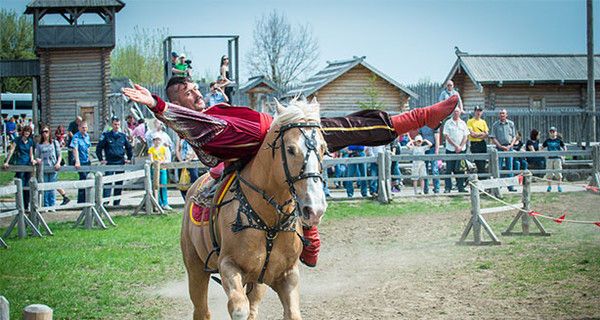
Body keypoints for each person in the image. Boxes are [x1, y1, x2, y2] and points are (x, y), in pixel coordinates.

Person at [122, 76, 459, 267]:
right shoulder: (194, 122)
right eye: (186, 92)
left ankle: (418, 118)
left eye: (194, 87)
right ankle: (419, 118)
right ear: (177, 102)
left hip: (272, 132)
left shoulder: (214, 106)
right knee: (332, 134)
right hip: (254, 144)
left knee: (334, 133)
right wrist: (159, 106)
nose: (194, 92)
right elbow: (196, 128)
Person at [96, 117, 133, 205]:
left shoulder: (122, 136)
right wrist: (101, 159)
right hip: (110, 162)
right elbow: (99, 147)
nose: (117, 126)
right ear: (112, 125)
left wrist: (129, 158)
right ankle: (105, 202)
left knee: (119, 183)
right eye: (115, 124)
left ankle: (117, 202)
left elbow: (129, 147)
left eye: (118, 125)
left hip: (120, 162)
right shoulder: (106, 135)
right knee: (108, 182)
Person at [35, 125, 70, 209]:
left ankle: (52, 205)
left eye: (46, 131)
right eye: (43, 132)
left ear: (49, 132)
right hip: (44, 168)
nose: (44, 134)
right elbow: (37, 156)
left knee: (52, 187)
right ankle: (46, 205)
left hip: (53, 167)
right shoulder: (39, 145)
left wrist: (58, 163)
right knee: (45, 187)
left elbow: (59, 155)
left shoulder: (54, 143)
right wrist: (38, 160)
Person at [3, 125, 36, 210]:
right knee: (20, 183)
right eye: (26, 131)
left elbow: (31, 153)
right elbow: (12, 150)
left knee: (27, 184)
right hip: (20, 163)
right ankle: (20, 204)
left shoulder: (30, 141)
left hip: (27, 164)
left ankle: (26, 204)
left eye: (29, 132)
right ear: (23, 132)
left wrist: (32, 160)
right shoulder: (17, 139)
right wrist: (6, 162)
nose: (27, 133)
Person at [490, 109, 518, 191]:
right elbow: (494, 137)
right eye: (500, 113)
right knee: (499, 167)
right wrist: (500, 146)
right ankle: (499, 185)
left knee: (510, 167)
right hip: (499, 148)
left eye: (503, 113)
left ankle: (510, 186)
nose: (502, 115)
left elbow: (514, 136)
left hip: (509, 147)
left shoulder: (511, 124)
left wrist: (511, 145)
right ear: (498, 115)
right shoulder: (495, 125)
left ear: (506, 115)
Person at [443, 107, 469, 193]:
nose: (456, 113)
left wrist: (460, 146)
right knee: (449, 169)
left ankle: (460, 187)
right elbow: (447, 136)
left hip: (461, 150)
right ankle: (448, 187)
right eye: (454, 111)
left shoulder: (463, 123)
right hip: (450, 149)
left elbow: (465, 136)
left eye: (457, 111)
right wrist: (455, 146)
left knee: (460, 169)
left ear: (460, 113)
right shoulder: (448, 123)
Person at [148, 135, 171, 210]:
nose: (157, 142)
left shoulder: (163, 148)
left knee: (163, 185)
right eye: (155, 140)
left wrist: (163, 162)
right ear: (153, 141)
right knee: (156, 186)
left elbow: (166, 159)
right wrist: (155, 162)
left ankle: (165, 203)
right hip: (154, 169)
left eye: (158, 140)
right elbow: (151, 160)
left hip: (162, 168)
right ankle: (158, 202)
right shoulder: (151, 149)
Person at [71, 121, 91, 203]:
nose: (84, 129)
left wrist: (89, 158)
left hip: (86, 161)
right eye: (83, 128)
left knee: (87, 179)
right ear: (79, 128)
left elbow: (88, 147)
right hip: (80, 161)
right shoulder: (76, 137)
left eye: (86, 127)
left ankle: (86, 199)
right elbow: (75, 149)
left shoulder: (87, 136)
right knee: (83, 179)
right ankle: (81, 201)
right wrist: (77, 161)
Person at [466, 105, 489, 177]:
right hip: (474, 143)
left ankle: (482, 177)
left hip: (482, 143)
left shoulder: (483, 122)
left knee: (483, 162)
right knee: (477, 162)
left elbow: (486, 134)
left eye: (480, 111)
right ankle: (479, 177)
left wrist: (478, 135)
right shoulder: (470, 121)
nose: (478, 113)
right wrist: (482, 134)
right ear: (474, 112)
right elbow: (472, 134)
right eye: (477, 111)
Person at [175, 136, 200, 200]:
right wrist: (180, 160)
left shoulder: (192, 136)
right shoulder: (179, 138)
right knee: (182, 181)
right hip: (182, 160)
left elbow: (195, 150)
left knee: (194, 177)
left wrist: (188, 160)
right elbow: (177, 150)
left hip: (192, 160)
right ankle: (185, 198)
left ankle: (195, 196)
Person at [542, 126, 566, 192]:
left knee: (558, 173)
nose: (552, 133)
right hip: (550, 159)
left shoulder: (559, 141)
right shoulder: (547, 141)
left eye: (553, 132)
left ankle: (559, 186)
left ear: (556, 133)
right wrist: (545, 155)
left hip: (557, 158)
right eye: (551, 132)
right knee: (549, 173)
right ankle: (549, 187)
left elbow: (564, 148)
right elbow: (541, 148)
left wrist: (563, 155)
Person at [418, 125, 440, 194]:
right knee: (424, 170)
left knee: (434, 169)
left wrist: (436, 150)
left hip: (432, 148)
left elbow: (437, 138)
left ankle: (436, 188)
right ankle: (425, 188)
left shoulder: (434, 125)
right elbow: (419, 137)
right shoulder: (422, 126)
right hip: (424, 148)